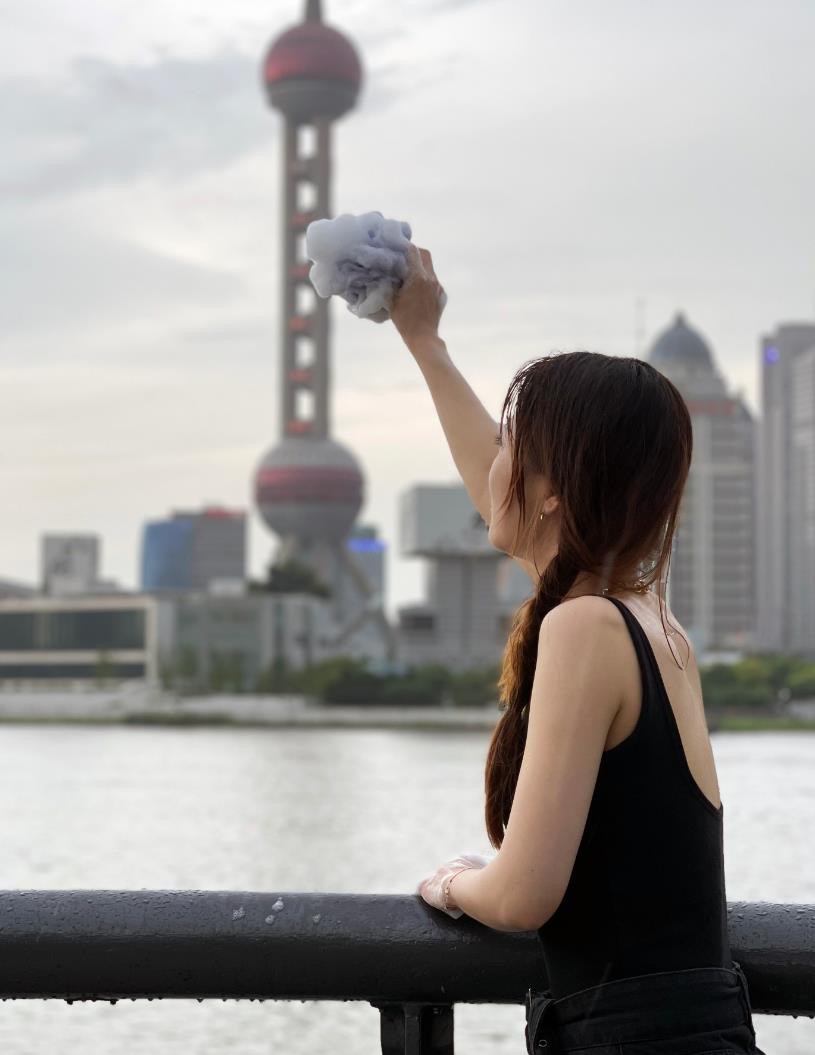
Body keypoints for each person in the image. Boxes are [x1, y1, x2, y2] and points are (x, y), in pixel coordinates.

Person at [390, 244, 766, 1055]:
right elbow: (493, 480)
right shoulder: (647, 622)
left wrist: (452, 883)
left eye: (513, 451)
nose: (494, 467)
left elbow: (524, 895)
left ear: (552, 486)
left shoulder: (584, 627)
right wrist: (423, 340)